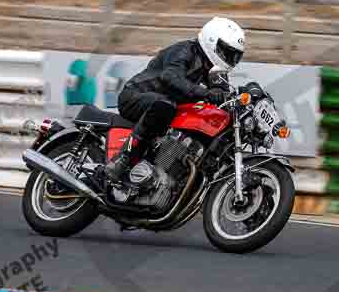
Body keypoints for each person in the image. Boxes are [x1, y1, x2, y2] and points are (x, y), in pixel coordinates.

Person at [104, 16, 246, 184]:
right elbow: (170, 77)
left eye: (234, 56)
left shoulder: (214, 70)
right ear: (212, 40)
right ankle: (123, 159)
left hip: (164, 109)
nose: (230, 58)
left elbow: (223, 94)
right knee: (165, 106)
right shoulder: (185, 50)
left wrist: (237, 106)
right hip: (135, 96)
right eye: (228, 52)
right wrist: (205, 93)